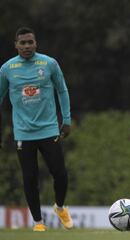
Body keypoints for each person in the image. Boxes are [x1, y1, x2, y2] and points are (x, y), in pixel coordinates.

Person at [0, 27, 73, 232]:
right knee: (30, 178)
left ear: (35, 43)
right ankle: (38, 222)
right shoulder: (7, 69)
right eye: (22, 43)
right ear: (16, 45)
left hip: (49, 129)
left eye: (30, 42)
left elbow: (62, 90)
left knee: (60, 174)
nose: (26, 46)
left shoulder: (49, 63)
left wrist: (66, 119)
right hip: (23, 132)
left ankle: (60, 207)